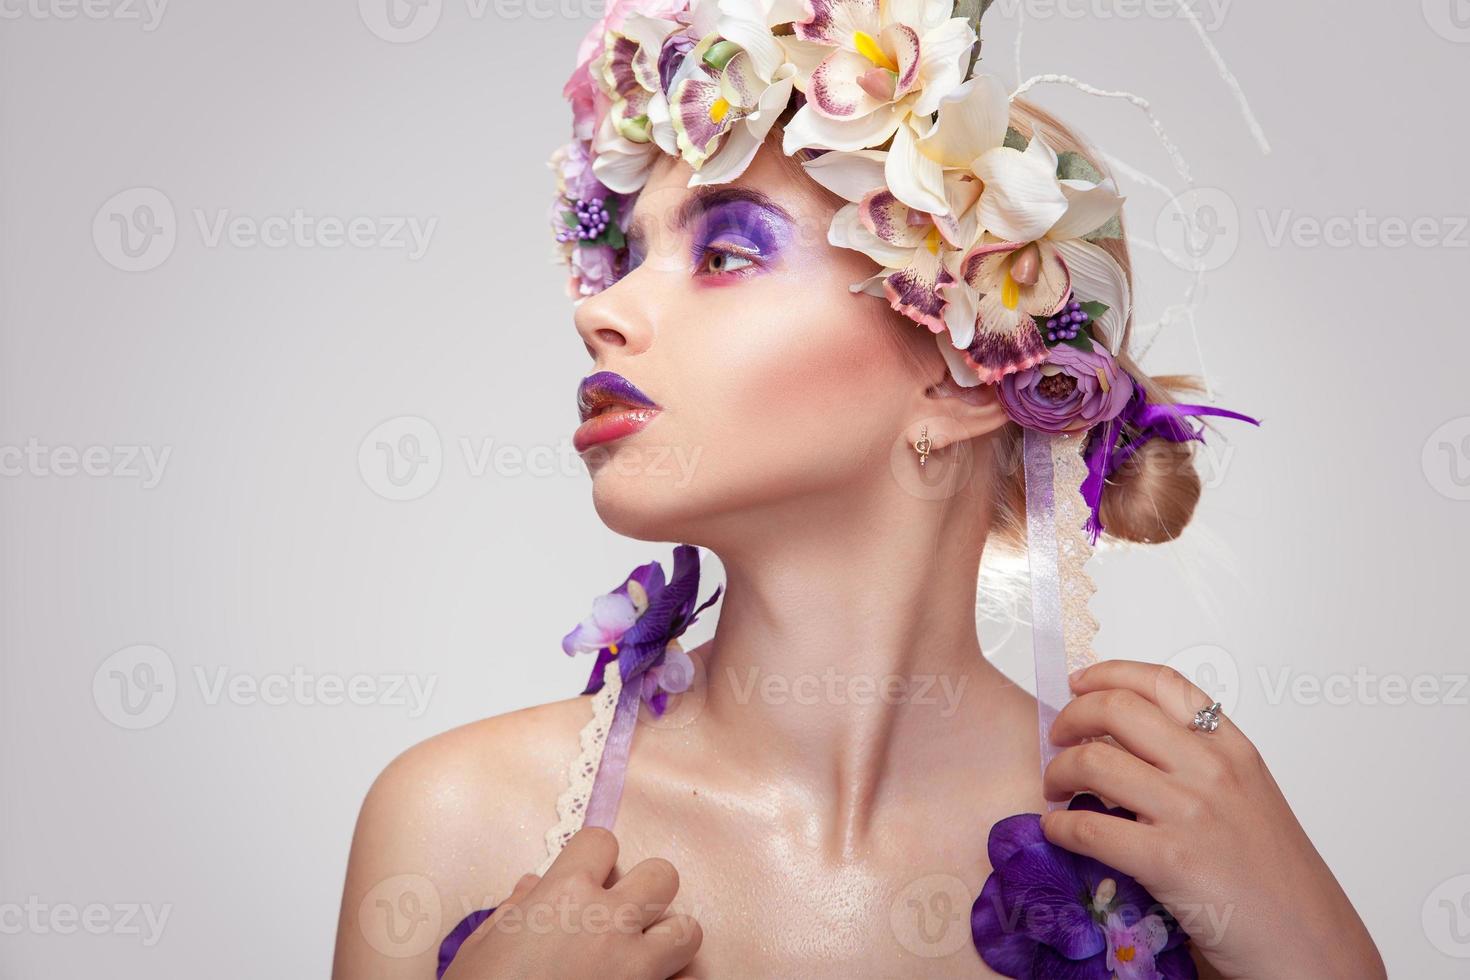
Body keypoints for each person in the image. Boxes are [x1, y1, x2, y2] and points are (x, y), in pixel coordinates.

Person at [332, 1, 1385, 975]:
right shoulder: (456, 817)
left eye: (727, 251)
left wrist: (1320, 953)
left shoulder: (1171, 853)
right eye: (625, 256)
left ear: (964, 371)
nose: (599, 312)